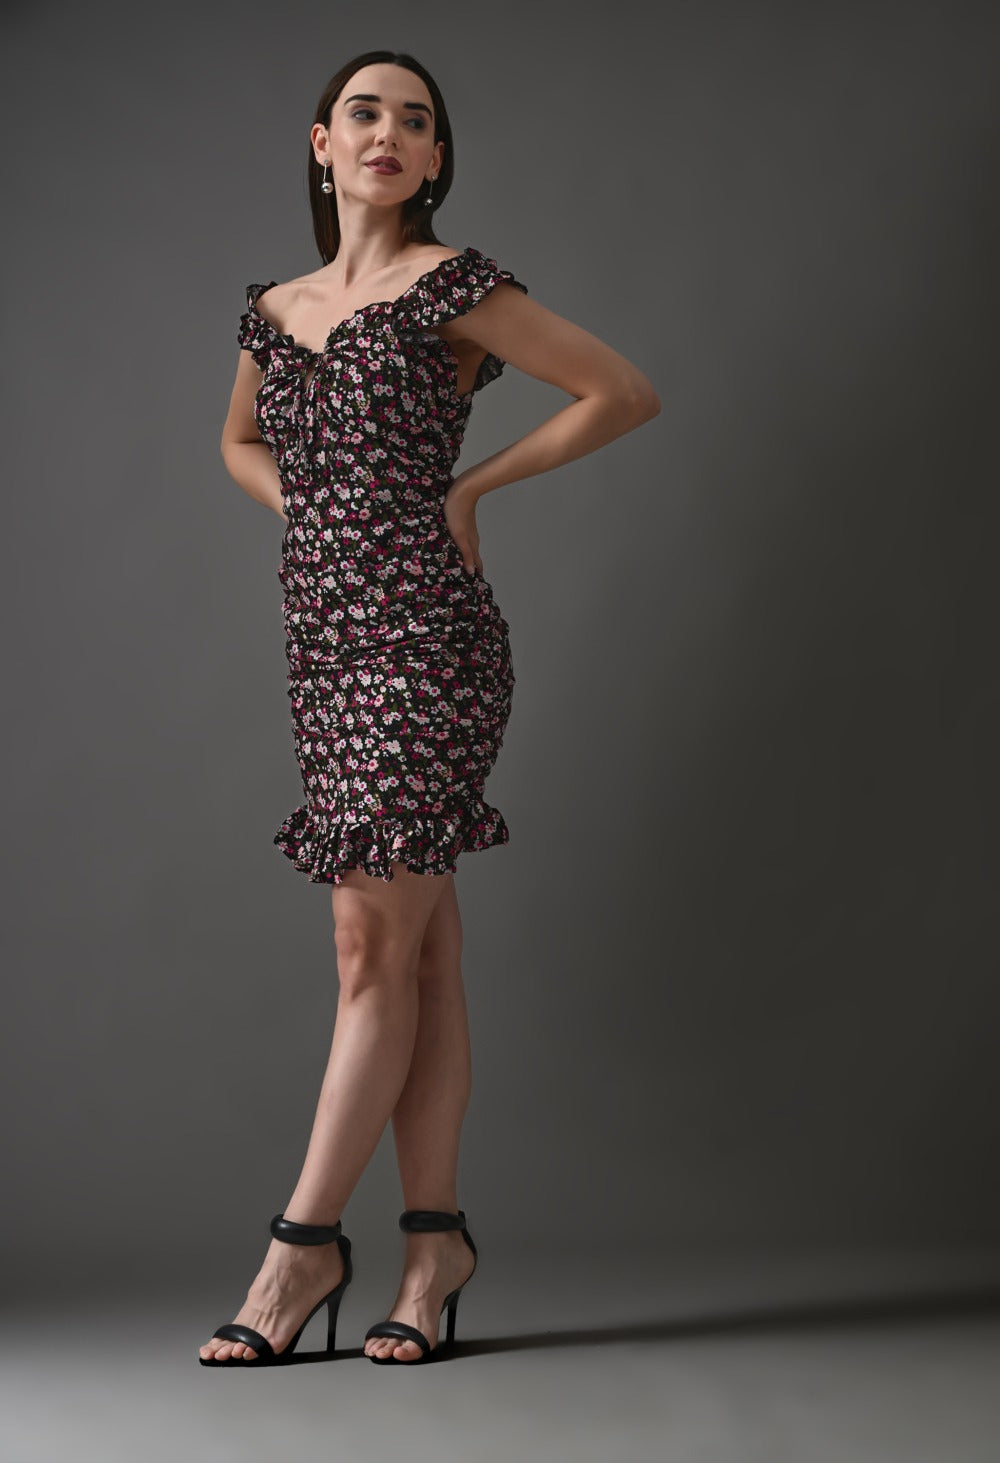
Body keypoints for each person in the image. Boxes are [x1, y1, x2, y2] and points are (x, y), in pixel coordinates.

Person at [199, 49, 659, 1369]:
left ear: (437, 160)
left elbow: (621, 393)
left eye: (417, 119)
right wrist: (316, 514)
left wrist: (463, 496)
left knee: (366, 955)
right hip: (325, 650)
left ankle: (300, 1249)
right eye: (365, 113)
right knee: (424, 956)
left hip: (429, 643)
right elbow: (237, 440)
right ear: (320, 145)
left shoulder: (455, 288)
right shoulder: (270, 309)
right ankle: (433, 1248)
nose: (389, 132)